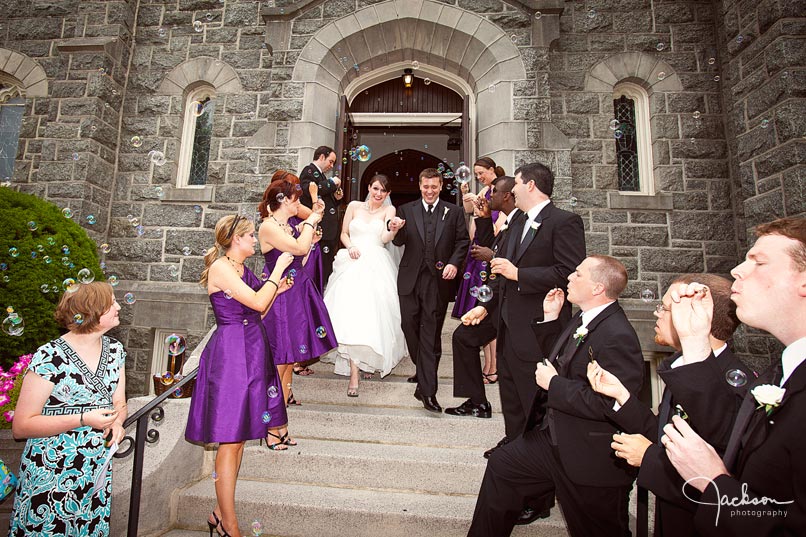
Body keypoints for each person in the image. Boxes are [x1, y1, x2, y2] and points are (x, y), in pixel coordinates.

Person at [467, 255, 644, 537]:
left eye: (578, 275)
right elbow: (564, 362)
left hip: (591, 457)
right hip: (554, 438)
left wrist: (555, 385)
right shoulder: (582, 318)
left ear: (598, 288)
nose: (569, 277)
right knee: (503, 464)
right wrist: (550, 319)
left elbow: (612, 403)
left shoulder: (617, 334)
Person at [659, 217, 806, 536]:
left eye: (759, 261)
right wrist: (696, 342)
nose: (738, 269)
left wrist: (716, 486)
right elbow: (737, 442)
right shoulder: (782, 371)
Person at [587, 273, 751, 536]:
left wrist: (648, 458)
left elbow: (722, 488)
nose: (656, 314)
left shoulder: (734, 390)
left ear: (700, 318)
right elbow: (665, 434)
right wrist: (622, 396)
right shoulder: (684, 368)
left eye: (665, 308)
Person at [462, 162, 586, 457]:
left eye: (516, 183)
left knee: (535, 406)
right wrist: (485, 306)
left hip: (538, 333)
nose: (511, 189)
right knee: (513, 401)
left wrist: (521, 275)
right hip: (508, 328)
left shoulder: (564, 221)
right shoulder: (515, 223)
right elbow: (500, 271)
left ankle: (537, 484)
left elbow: (569, 271)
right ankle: (515, 454)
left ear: (530, 185)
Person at [185, 214, 294, 537]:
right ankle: (229, 526)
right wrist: (276, 272)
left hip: (252, 349)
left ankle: (220, 512)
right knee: (229, 441)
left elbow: (261, 306)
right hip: (231, 355)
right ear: (236, 240)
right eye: (250, 237)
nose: (255, 242)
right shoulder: (221, 268)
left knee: (241, 437)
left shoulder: (242, 270)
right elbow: (258, 301)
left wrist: (279, 288)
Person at [9, 282, 127, 536]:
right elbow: (21, 425)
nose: (118, 307)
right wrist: (84, 419)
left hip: (95, 472)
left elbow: (119, 402)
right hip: (51, 472)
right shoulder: (50, 356)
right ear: (92, 311)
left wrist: (117, 422)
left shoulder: (116, 351)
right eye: (112, 302)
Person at [390, 167, 470, 412]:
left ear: (440, 186)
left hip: (438, 282)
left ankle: (428, 392)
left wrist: (454, 264)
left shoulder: (454, 212)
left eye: (434, 187)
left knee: (431, 334)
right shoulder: (406, 210)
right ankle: (423, 371)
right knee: (408, 326)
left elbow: (462, 241)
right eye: (426, 186)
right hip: (410, 279)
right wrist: (394, 227)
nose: (429, 191)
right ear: (420, 186)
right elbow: (398, 240)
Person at [321, 174, 406, 396]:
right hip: (352, 260)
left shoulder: (389, 211)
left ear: (387, 195)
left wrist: (394, 228)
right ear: (368, 187)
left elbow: (386, 238)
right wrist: (350, 247)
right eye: (376, 188)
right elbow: (344, 233)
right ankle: (354, 373)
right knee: (349, 314)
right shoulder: (354, 206)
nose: (378, 194)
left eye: (383, 191)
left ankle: (365, 363)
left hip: (376, 263)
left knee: (370, 315)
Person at [258, 172, 338, 408]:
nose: (298, 205)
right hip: (281, 296)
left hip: (294, 291)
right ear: (283, 201)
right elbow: (298, 249)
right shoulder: (269, 227)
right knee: (280, 363)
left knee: (288, 361)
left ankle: (279, 424)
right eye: (295, 200)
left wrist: (311, 240)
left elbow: (299, 260)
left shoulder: (285, 227)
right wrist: (311, 221)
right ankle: (273, 427)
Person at [445, 176, 518, 419]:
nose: (489, 195)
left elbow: (514, 258)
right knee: (463, 337)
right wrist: (484, 218)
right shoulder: (509, 220)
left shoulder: (521, 221)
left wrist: (492, 254)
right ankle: (477, 402)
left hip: (514, 303)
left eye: (494, 192)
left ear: (506, 196)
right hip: (498, 298)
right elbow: (490, 245)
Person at [453, 157, 506, 384]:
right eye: (475, 174)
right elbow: (469, 211)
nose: (478, 177)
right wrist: (467, 194)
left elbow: (497, 230)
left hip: (490, 256)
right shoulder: (484, 191)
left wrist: (483, 213)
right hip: (477, 256)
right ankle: (488, 364)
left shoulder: (502, 196)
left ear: (492, 170)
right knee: (477, 312)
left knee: (487, 312)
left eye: (481, 173)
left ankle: (493, 366)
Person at [299, 146, 341, 284]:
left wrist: (336, 197)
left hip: (327, 230)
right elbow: (309, 191)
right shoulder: (308, 171)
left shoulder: (321, 176)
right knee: (319, 268)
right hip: (319, 229)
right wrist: (331, 183)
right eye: (330, 161)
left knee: (325, 267)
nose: (331, 165)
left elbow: (326, 202)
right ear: (322, 157)